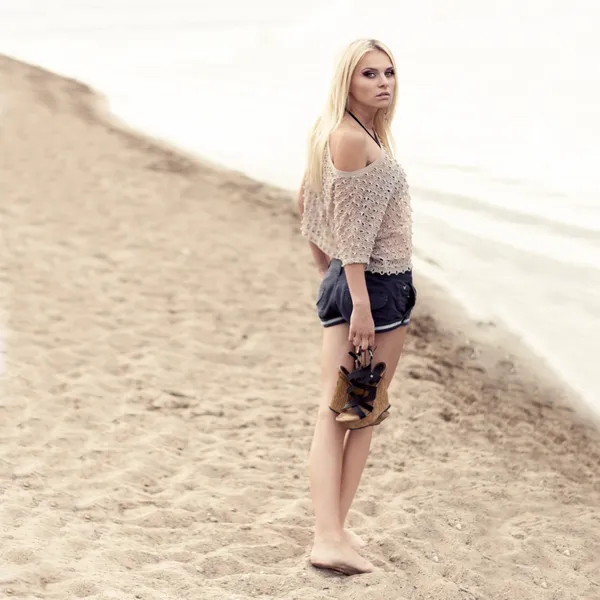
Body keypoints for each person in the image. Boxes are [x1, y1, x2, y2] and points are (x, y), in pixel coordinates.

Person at [297, 38, 417, 575]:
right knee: (342, 414)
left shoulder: (349, 132)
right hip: (374, 292)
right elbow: (353, 232)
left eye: (388, 72)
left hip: (367, 288)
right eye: (369, 74)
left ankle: (337, 529)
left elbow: (308, 203)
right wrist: (359, 303)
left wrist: (330, 275)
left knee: (355, 413)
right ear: (347, 80)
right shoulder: (350, 137)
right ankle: (327, 536)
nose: (383, 82)